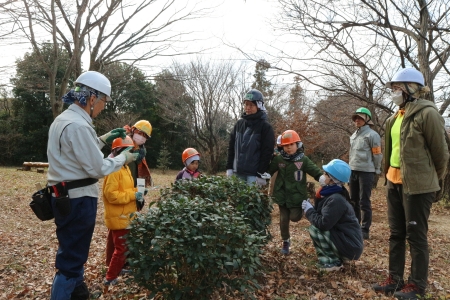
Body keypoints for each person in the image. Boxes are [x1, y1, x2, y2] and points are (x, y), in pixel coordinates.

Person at [47, 71, 138, 300]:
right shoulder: (79, 125)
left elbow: (78, 152)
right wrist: (123, 159)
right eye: (103, 102)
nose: (103, 107)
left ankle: (78, 294)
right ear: (91, 98)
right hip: (77, 199)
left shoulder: (65, 120)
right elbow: (97, 168)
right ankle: (65, 293)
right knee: (71, 261)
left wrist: (104, 138)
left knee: (73, 255)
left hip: (65, 196)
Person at [372, 67, 449, 300]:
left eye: (397, 88)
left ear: (410, 89)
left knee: (416, 235)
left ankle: (417, 286)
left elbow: (441, 154)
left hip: (418, 186)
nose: (394, 92)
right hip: (393, 183)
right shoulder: (393, 118)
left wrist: (433, 182)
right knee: (396, 234)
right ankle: (395, 280)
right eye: (393, 88)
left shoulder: (428, 114)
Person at [302, 159, 363, 271]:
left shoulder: (336, 199)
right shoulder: (331, 194)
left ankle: (333, 262)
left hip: (350, 246)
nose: (323, 176)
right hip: (347, 242)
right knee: (316, 228)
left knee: (315, 229)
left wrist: (309, 211)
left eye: (326, 174)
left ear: (333, 180)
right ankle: (335, 258)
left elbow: (323, 224)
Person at [268, 130, 322, 255]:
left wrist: (321, 178)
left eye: (291, 145)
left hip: (298, 195)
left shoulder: (303, 160)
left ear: (297, 145)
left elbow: (314, 170)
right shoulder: (279, 159)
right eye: (286, 145)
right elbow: (269, 171)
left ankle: (304, 209)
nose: (288, 148)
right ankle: (285, 242)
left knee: (295, 217)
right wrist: (263, 176)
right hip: (282, 195)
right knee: (283, 219)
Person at [103, 136, 144, 286]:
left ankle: (117, 269)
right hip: (118, 216)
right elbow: (111, 195)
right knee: (121, 248)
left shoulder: (125, 167)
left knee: (123, 247)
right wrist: (132, 195)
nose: (131, 155)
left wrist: (138, 191)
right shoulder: (114, 170)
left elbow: (125, 189)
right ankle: (110, 277)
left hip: (126, 214)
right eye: (128, 151)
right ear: (120, 152)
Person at [226, 89, 275, 186]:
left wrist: (261, 173)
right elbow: (231, 147)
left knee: (251, 200)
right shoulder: (239, 124)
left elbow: (267, 152)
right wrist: (229, 167)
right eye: (246, 104)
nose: (248, 107)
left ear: (259, 106)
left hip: (254, 175)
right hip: (237, 173)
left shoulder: (265, 127)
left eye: (251, 105)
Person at [349, 107, 382, 240]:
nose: (357, 120)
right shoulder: (353, 135)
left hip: (366, 172)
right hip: (353, 170)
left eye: (360, 118)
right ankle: (355, 226)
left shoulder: (373, 135)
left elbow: (377, 154)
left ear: (367, 119)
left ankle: (365, 229)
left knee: (364, 201)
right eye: (355, 118)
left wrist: (377, 169)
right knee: (353, 200)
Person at [124, 120, 153, 187]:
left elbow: (140, 172)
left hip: (133, 188)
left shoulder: (141, 152)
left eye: (145, 136)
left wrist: (141, 189)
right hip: (122, 187)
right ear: (133, 130)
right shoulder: (122, 145)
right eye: (139, 133)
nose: (141, 138)